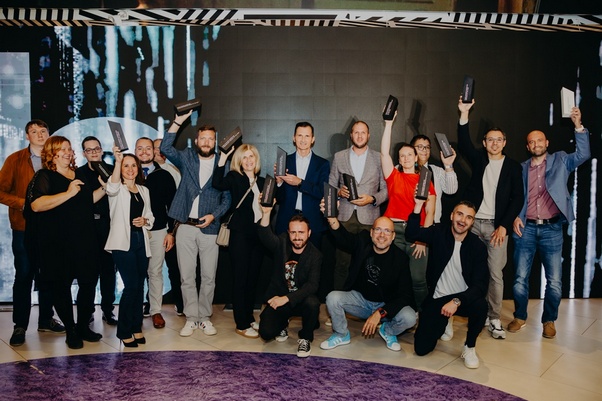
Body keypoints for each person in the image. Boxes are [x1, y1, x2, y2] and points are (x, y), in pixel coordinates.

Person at [510, 107, 591, 339]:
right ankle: (520, 316)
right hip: (525, 228)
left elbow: (583, 154)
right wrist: (515, 215)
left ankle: (549, 320)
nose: (536, 144)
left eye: (539, 140)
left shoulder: (561, 160)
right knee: (519, 279)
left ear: (547, 142)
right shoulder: (521, 168)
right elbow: (514, 196)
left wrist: (578, 125)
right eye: (531, 142)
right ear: (528, 147)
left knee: (554, 281)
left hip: (552, 228)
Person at [25, 136, 104, 349]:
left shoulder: (78, 174)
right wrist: (68, 193)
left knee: (89, 282)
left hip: (84, 239)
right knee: (62, 285)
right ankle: (70, 330)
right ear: (52, 153)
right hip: (58, 242)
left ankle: (83, 326)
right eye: (62, 149)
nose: (68, 152)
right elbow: (36, 205)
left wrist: (105, 188)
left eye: (69, 148)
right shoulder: (44, 175)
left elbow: (87, 201)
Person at [457, 98, 524, 341]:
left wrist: (504, 226)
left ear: (504, 142)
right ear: (484, 143)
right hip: (473, 225)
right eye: (490, 139)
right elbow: (464, 143)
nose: (494, 143)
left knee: (495, 274)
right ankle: (471, 311)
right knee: (467, 269)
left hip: (497, 227)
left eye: (499, 139)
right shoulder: (479, 159)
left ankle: (494, 317)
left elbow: (518, 198)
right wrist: (464, 113)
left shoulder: (513, 167)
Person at [160, 110, 231, 337]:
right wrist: (178, 121)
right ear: (197, 140)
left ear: (215, 142)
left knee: (209, 277)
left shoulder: (223, 163)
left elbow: (227, 198)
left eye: (211, 139)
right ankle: (191, 318)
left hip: (210, 228)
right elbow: (165, 148)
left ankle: (205, 317)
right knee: (187, 276)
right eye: (203, 138)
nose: (207, 142)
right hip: (185, 227)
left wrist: (213, 216)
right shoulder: (187, 157)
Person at [0, 119, 64, 346]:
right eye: (34, 131)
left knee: (48, 274)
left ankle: (46, 319)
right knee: (24, 275)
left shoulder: (56, 159)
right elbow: (1, 192)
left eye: (43, 130)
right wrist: (23, 204)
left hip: (52, 228)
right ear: (27, 136)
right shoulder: (15, 159)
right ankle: (20, 325)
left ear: (49, 134)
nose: (39, 134)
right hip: (24, 227)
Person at [407, 198, 489, 369]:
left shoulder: (477, 246)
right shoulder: (439, 232)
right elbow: (411, 234)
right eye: (460, 214)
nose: (463, 220)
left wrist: (457, 301)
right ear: (452, 215)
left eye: (468, 217)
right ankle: (446, 320)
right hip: (438, 297)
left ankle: (469, 347)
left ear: (472, 222)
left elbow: (481, 286)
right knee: (421, 349)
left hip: (462, 299)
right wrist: (418, 206)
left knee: (481, 306)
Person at [320, 211, 416, 352]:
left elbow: (405, 295)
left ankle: (388, 331)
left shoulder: (400, 259)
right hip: (361, 301)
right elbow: (344, 238)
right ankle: (341, 334)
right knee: (332, 298)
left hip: (385, 306)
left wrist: (380, 313)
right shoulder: (363, 242)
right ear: (371, 233)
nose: (382, 235)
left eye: (387, 231)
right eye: (378, 229)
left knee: (410, 317)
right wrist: (332, 218)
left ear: (393, 236)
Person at [380, 112, 435, 310]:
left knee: (418, 279)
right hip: (392, 232)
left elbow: (430, 212)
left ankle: (424, 314)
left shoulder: (425, 179)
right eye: (402, 155)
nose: (406, 158)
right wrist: (388, 124)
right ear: (399, 159)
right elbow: (384, 154)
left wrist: (422, 239)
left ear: (416, 157)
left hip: (416, 233)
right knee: (391, 277)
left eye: (410, 154)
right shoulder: (393, 176)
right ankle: (389, 312)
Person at [213, 144, 265, 339]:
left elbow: (277, 200)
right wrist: (222, 158)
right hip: (240, 235)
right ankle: (241, 324)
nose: (249, 160)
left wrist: (279, 184)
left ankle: (249, 318)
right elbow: (217, 183)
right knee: (240, 280)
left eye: (251, 156)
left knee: (252, 280)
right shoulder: (235, 177)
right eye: (245, 157)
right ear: (239, 161)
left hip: (258, 235)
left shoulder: (262, 180)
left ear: (256, 159)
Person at [328, 120, 388, 290]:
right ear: (351, 135)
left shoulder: (379, 158)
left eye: (363, 132)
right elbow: (331, 185)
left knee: (369, 264)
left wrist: (372, 199)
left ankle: (366, 300)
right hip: (344, 217)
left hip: (369, 217)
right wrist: (339, 192)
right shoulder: (339, 157)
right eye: (356, 132)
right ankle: (338, 301)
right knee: (342, 263)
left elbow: (386, 189)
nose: (360, 136)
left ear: (368, 135)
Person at [257, 204, 321, 358]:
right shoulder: (282, 243)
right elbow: (266, 237)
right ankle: (283, 323)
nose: (297, 237)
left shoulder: (315, 255)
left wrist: (286, 298)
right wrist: (266, 213)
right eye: (293, 232)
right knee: (266, 333)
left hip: (300, 300)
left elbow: (312, 285)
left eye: (301, 232)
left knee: (313, 303)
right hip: (280, 298)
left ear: (309, 233)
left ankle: (305, 337)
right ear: (288, 233)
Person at [104, 149, 154, 347]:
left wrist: (145, 221)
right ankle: (124, 330)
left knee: (140, 285)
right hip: (122, 243)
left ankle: (136, 326)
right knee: (131, 285)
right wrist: (118, 162)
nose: (130, 169)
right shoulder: (116, 188)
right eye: (126, 165)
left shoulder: (144, 190)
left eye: (133, 165)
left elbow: (150, 216)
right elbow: (111, 187)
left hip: (141, 240)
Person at [135, 137, 177, 329]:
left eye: (148, 148)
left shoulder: (164, 175)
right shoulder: (128, 173)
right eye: (140, 148)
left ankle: (155, 311)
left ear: (154, 151)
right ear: (135, 151)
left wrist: (171, 232)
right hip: (134, 232)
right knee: (136, 273)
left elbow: (173, 207)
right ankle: (134, 309)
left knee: (155, 272)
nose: (144, 152)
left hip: (159, 230)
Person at [75, 136, 118, 326]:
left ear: (101, 150)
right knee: (88, 273)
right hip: (87, 228)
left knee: (109, 271)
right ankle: (87, 312)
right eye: (89, 150)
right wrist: (105, 186)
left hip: (109, 226)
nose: (93, 152)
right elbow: (86, 201)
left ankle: (108, 310)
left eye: (96, 149)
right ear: (84, 153)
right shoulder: (78, 173)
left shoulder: (112, 170)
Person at [275, 122, 329, 248]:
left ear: (313, 139)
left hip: (313, 221)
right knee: (284, 257)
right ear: (294, 138)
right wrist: (279, 183)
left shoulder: (322, 164)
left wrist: (300, 182)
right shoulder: (284, 161)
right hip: (286, 220)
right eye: (300, 135)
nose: (303, 140)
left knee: (312, 259)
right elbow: (279, 198)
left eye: (307, 136)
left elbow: (322, 193)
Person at [153, 138, 183, 316]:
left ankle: (180, 302)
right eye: (155, 148)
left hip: (170, 227)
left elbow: (177, 201)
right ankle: (151, 304)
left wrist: (173, 229)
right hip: (152, 229)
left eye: (161, 148)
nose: (158, 151)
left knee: (174, 267)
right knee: (152, 270)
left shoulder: (173, 170)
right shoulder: (143, 171)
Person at [410, 134, 458, 224]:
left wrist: (448, 165)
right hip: (407, 222)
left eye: (427, 147)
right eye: (420, 147)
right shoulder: (401, 169)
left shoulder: (436, 171)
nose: (424, 150)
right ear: (411, 149)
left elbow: (451, 190)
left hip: (432, 224)